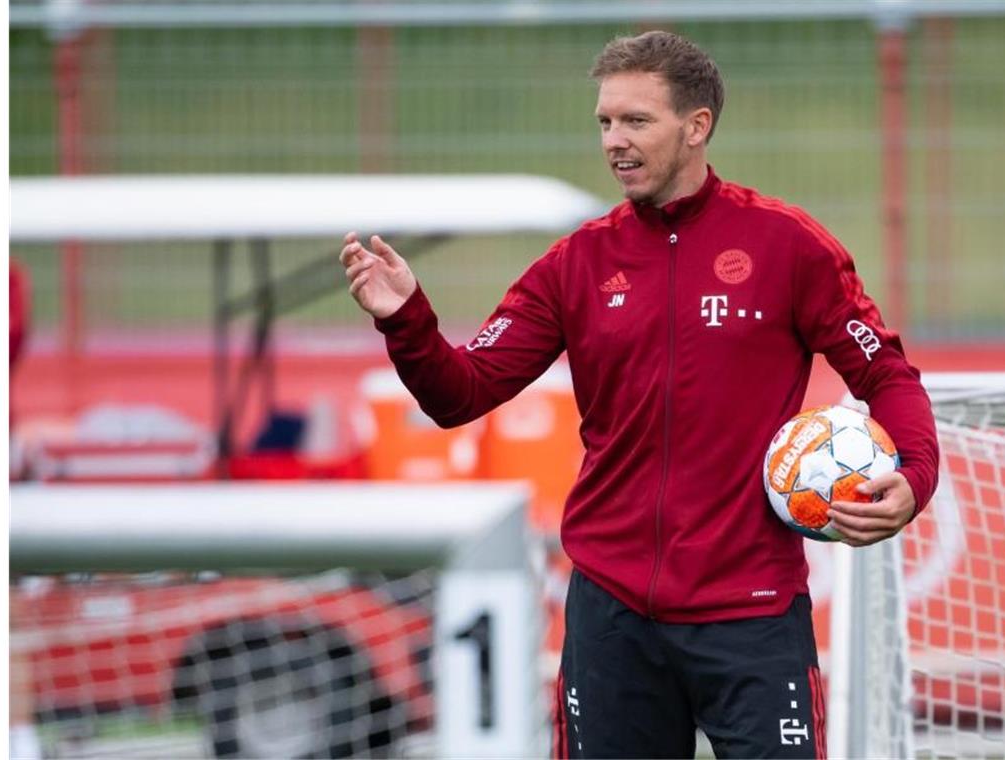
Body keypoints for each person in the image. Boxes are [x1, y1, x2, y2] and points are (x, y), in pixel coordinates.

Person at [340, 30, 938, 759]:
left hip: (751, 614)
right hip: (612, 616)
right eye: (604, 122)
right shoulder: (575, 264)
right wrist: (407, 319)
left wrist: (912, 478)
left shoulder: (787, 246)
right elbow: (458, 393)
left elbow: (887, 375)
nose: (614, 141)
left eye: (635, 121)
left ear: (697, 127)